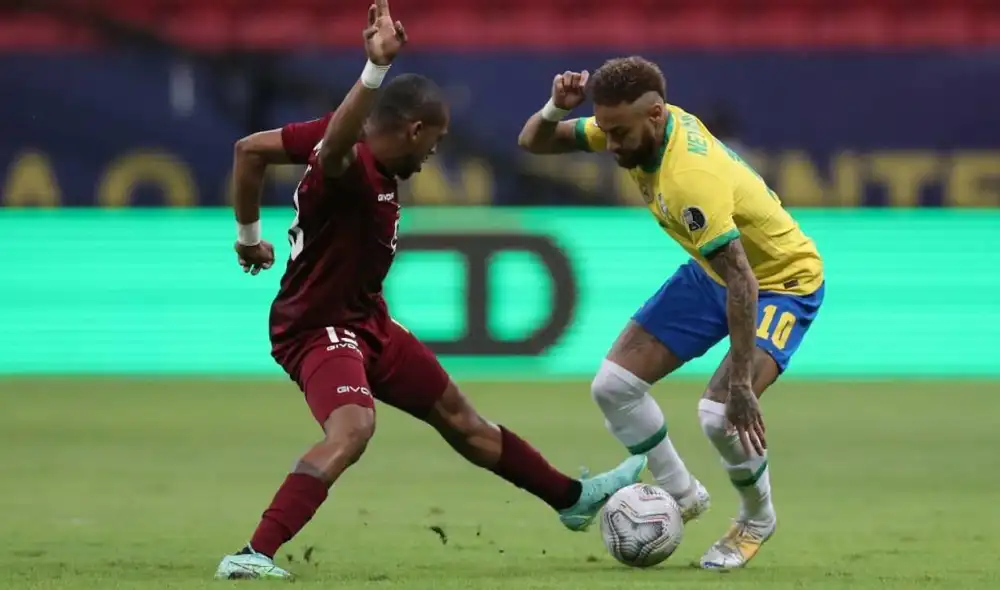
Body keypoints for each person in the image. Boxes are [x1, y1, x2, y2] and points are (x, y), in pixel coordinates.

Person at [215, 3, 645, 580]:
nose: (433, 155)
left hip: (367, 320)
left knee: (458, 415)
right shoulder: (348, 166)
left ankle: (572, 499)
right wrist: (373, 69)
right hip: (317, 328)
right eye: (434, 143)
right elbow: (332, 148)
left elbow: (250, 150)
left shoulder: (349, 148)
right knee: (354, 428)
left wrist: (248, 238)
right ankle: (252, 553)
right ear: (414, 129)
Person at [517, 56, 825, 569]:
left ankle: (757, 517)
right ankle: (683, 495)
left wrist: (743, 386)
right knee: (613, 386)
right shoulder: (633, 124)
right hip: (714, 272)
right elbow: (535, 142)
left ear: (656, 115)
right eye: (605, 130)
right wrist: (555, 107)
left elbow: (746, 279)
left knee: (719, 415)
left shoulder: (690, 178)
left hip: (780, 283)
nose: (609, 144)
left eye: (618, 133)